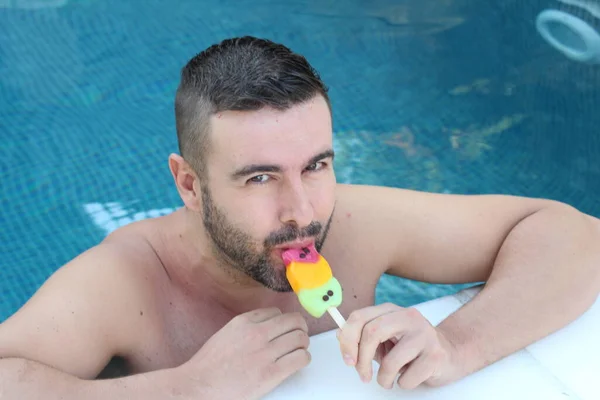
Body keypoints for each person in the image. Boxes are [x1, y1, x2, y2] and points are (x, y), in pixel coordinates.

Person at [1, 36, 599, 399]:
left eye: (316, 165)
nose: (303, 212)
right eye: (259, 177)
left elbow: (574, 234)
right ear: (189, 183)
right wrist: (186, 389)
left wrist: (455, 344)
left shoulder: (353, 222)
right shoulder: (123, 281)